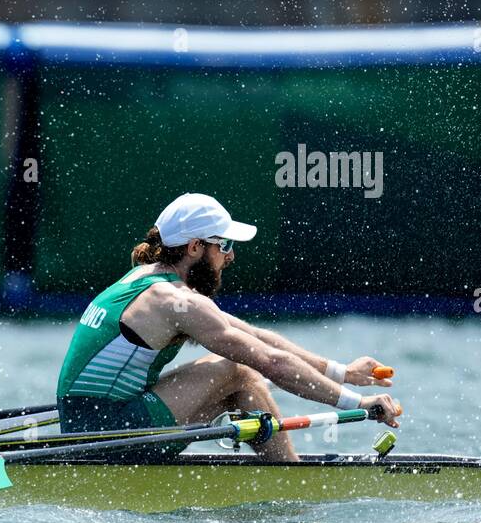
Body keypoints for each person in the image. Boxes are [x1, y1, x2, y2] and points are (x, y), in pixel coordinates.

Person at [55, 193, 401, 461]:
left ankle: (286, 475)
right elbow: (271, 362)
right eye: (224, 245)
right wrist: (358, 403)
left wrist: (343, 372)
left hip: (91, 426)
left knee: (239, 375)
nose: (230, 256)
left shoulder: (146, 280)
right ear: (194, 247)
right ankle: (291, 481)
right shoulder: (175, 301)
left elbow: (257, 338)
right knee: (239, 371)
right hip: (108, 435)